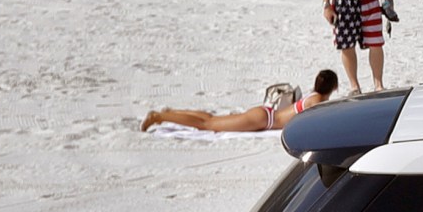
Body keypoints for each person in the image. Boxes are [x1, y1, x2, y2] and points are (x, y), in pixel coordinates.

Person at [143, 70, 339, 133]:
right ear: (334, 87)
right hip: (264, 120)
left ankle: (171, 112)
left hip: (266, 114)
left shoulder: (313, 96)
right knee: (209, 124)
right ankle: (160, 117)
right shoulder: (317, 102)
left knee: (212, 119)